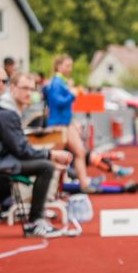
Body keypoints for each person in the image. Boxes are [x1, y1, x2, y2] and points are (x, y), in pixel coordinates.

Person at [0, 72, 72, 237]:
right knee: (46, 167)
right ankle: (34, 222)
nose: (28, 93)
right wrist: (52, 155)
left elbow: (19, 147)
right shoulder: (6, 113)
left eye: (32, 89)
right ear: (12, 88)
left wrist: (47, 154)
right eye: (24, 88)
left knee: (45, 164)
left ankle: (35, 220)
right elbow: (22, 151)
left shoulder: (7, 109)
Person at [43, 54, 94, 191]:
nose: (70, 69)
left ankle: (84, 184)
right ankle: (51, 190)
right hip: (57, 125)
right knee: (56, 158)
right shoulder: (55, 83)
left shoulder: (63, 82)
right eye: (67, 66)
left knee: (80, 151)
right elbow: (57, 102)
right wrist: (73, 94)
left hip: (67, 123)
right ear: (59, 67)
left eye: (70, 66)